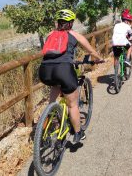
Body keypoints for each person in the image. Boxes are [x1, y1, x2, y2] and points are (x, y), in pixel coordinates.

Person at [39, 9, 104, 144]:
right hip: (63, 70)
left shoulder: (50, 34)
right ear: (71, 22)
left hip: (45, 71)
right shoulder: (74, 34)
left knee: (52, 102)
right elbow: (90, 50)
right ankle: (78, 133)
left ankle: (43, 132)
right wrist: (99, 58)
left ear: (58, 22)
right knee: (72, 104)